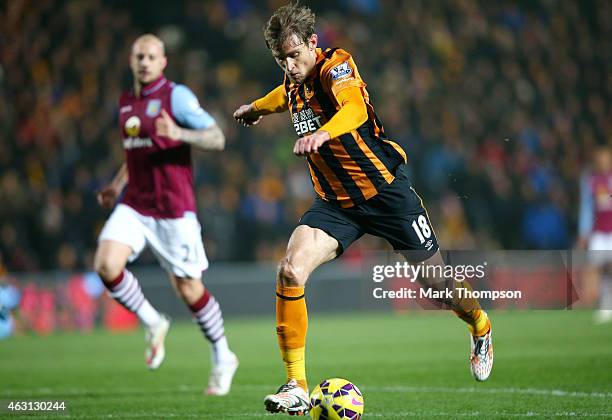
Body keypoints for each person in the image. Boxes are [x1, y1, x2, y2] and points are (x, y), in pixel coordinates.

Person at [233, 2, 493, 415]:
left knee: (436, 286)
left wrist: (322, 133)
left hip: (387, 194)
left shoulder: (336, 66)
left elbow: (353, 109)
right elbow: (280, 97)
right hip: (337, 205)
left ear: (313, 44)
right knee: (289, 270)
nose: (290, 65)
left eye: (295, 54)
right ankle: (295, 384)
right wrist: (255, 109)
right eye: (281, 58)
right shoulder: (293, 83)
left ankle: (480, 325)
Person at [94, 34, 238, 396]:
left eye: (151, 56)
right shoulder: (126, 101)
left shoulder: (177, 97)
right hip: (136, 205)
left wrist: (179, 131)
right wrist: (116, 184)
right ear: (131, 60)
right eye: (139, 56)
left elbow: (217, 138)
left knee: (189, 289)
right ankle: (153, 321)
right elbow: (136, 153)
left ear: (163, 62)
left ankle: (223, 356)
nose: (144, 62)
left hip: (174, 210)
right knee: (106, 265)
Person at [578, 146, 612, 324]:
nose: (603, 163)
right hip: (598, 232)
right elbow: (587, 207)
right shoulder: (591, 181)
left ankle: (608, 304)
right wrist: (583, 231)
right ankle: (603, 305)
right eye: (600, 161)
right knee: (595, 269)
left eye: (606, 160)